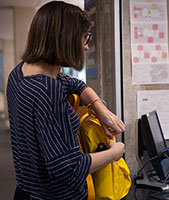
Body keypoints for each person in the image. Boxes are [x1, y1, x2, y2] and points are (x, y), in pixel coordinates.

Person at [7, 1, 126, 199]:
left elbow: (76, 85)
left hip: (26, 191)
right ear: (65, 39)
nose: (86, 47)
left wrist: (100, 109)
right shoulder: (47, 90)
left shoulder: (19, 73)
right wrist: (115, 152)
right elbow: (68, 170)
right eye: (84, 38)